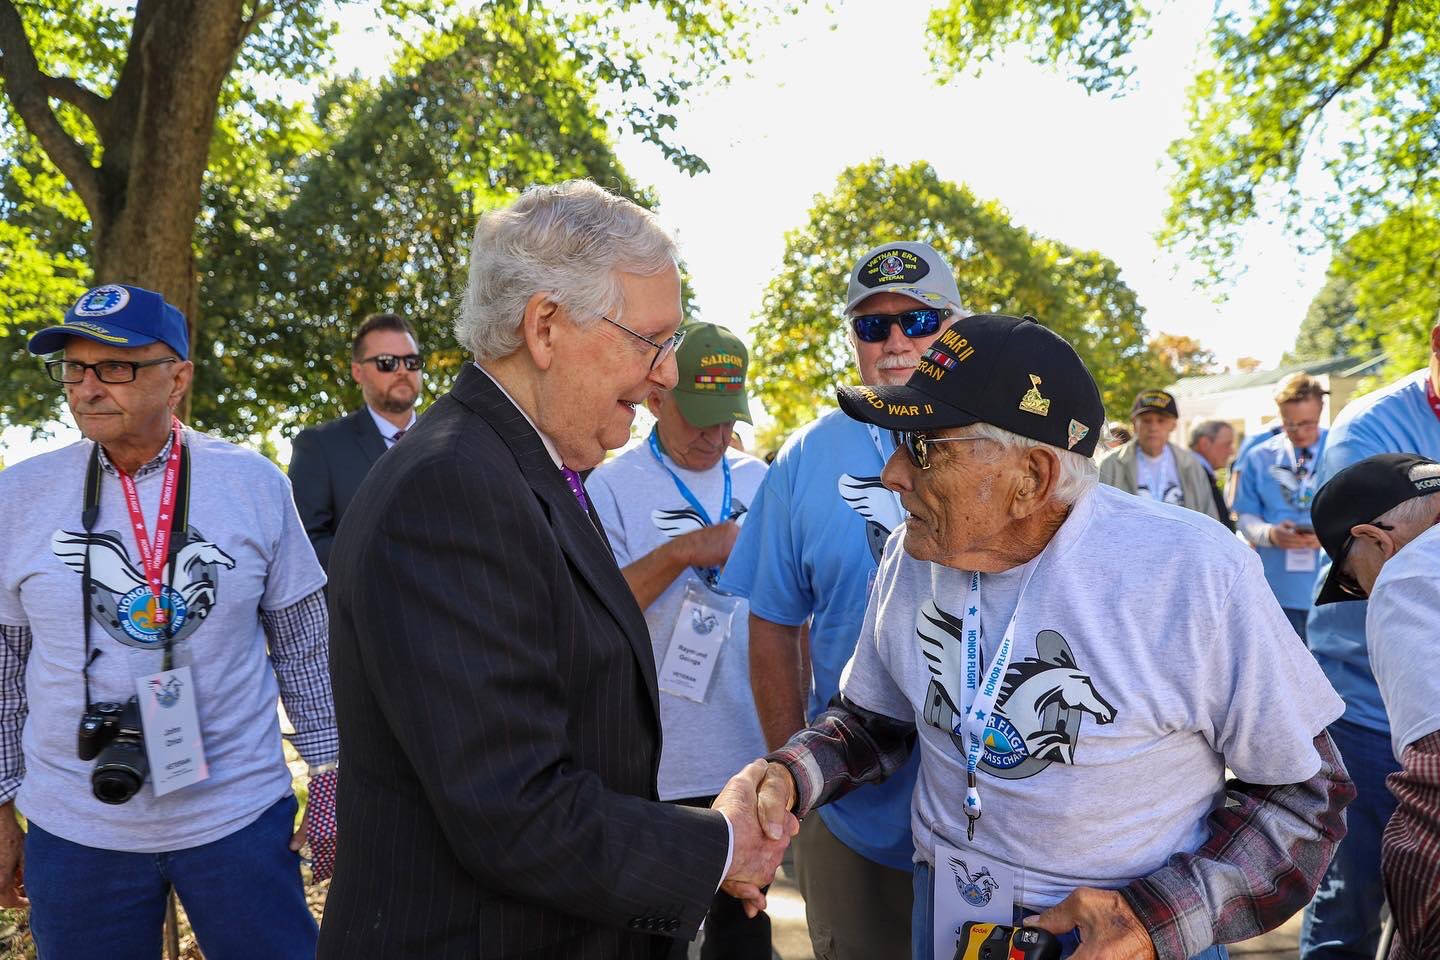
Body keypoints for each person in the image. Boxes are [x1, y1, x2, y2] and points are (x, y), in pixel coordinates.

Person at [748, 313, 1355, 960]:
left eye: (924, 447)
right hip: (947, 914)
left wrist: (1157, 919)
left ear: (1032, 477)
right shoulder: (911, 554)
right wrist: (787, 776)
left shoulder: (1191, 572)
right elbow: (877, 720)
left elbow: (1306, 797)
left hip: (1116, 937)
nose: (894, 473)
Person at [319, 181, 795, 959]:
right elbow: (512, 808)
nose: (668, 376)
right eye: (652, 341)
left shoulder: (515, 467)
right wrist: (717, 847)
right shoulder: (451, 490)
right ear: (545, 327)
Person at [0, 284, 338, 957]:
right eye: (74, 367)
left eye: (116, 366)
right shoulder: (18, 495)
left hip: (238, 819)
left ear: (178, 378)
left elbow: (304, 646)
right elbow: (5, 664)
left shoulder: (254, 483)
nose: (88, 388)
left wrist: (332, 774)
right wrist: (0, 801)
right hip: (76, 831)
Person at [718, 241, 961, 959]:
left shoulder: (1003, 438)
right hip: (853, 810)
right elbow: (772, 624)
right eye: (871, 325)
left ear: (955, 327)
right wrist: (793, 782)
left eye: (917, 322)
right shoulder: (804, 458)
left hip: (1000, 819)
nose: (894, 343)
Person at [587, 322, 771, 960]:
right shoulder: (610, 486)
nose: (716, 435)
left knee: (743, 933)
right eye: (701, 418)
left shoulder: (761, 481)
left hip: (746, 754)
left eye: (728, 420)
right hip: (655, 757)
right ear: (658, 398)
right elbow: (598, 610)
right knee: (648, 938)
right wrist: (691, 549)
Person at [1299, 322, 1440, 960]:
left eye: (1356, 583)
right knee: (1348, 903)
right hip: (1366, 709)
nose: (1365, 591)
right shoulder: (1369, 428)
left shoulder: (1404, 564)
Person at [287, 312, 423, 570]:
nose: (403, 370)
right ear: (358, 372)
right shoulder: (320, 446)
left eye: (411, 361)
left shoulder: (451, 439)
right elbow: (303, 546)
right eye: (387, 362)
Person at [1231, 374, 1328, 638]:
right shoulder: (1258, 457)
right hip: (1277, 590)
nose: (1298, 432)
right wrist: (1271, 534)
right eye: (1289, 424)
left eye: (1307, 424)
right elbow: (1245, 516)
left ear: (1321, 409)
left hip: (1331, 589)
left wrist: (1331, 534)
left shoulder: (1341, 449)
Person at [1099, 389, 1221, 520]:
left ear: (1173, 425)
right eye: (1146, 420)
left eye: (1161, 420)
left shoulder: (1191, 465)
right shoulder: (1110, 464)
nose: (1153, 427)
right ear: (1134, 423)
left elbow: (1210, 518)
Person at [1188, 419, 1237, 531]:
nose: (1232, 452)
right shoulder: (1193, 474)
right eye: (1227, 444)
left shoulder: (1199, 472)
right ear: (1204, 443)